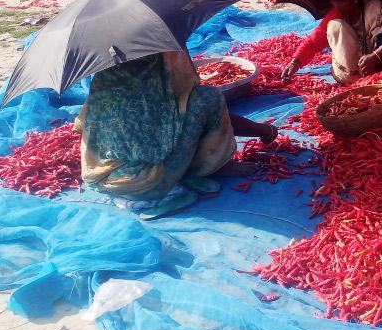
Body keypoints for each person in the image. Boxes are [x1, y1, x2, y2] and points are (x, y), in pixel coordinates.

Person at [73, 50, 276, 219]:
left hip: (101, 177)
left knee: (176, 118)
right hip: (146, 183)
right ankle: (212, 166)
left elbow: (84, 125)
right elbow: (192, 101)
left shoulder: (103, 74)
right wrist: (264, 130)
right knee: (207, 98)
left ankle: (181, 174)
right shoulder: (160, 68)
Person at [280, 0, 382, 84]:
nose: (336, 5)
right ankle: (355, 76)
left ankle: (380, 71)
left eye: (341, 1)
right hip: (351, 69)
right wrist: (295, 63)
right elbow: (313, 42)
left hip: (378, 62)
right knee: (336, 26)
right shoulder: (335, 15)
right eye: (333, 1)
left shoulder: (373, 8)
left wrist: (375, 56)